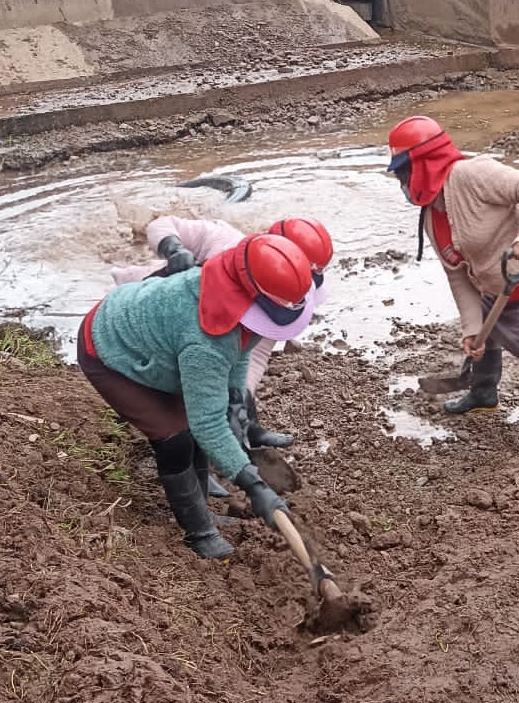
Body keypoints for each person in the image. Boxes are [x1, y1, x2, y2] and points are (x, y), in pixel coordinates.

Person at [77, 234, 314, 559]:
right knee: (175, 438)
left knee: (192, 423)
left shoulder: (232, 292)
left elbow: (241, 349)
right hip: (110, 350)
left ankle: (203, 509)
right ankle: (198, 532)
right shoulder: (205, 338)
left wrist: (235, 400)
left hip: (159, 342)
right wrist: (253, 486)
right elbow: (208, 424)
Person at [387, 116, 519, 458]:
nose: (402, 182)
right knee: (482, 337)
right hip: (496, 277)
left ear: (424, 163)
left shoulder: (470, 174)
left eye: (403, 173)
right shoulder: (431, 215)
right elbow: (457, 275)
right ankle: (483, 393)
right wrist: (471, 329)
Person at [111, 213, 334, 472]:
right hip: (143, 314)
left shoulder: (280, 304)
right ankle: (191, 467)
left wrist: (241, 403)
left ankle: (234, 441)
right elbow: (158, 224)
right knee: (186, 400)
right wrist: (174, 249)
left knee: (213, 383)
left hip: (196, 339)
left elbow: (255, 356)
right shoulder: (223, 240)